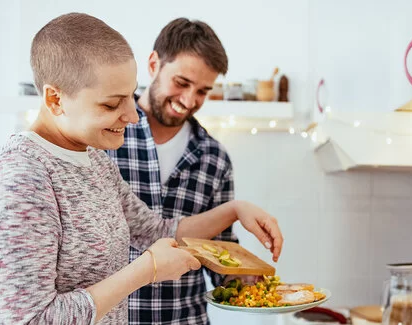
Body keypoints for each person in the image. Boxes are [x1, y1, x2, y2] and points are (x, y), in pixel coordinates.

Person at [0, 13, 283, 325]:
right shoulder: (20, 180)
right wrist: (145, 270)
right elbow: (27, 321)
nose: (133, 117)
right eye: (112, 104)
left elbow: (156, 232)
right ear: (55, 99)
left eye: (130, 96)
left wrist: (235, 209)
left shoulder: (96, 162)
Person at [107, 18, 282, 325]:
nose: (189, 101)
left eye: (202, 91)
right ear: (153, 64)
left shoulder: (215, 158)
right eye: (182, 83)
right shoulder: (107, 135)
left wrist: (251, 284)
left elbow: (219, 253)